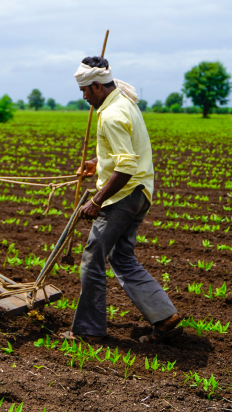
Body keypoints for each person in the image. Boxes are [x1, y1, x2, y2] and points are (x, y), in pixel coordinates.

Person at [61, 56, 182, 344]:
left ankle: (89, 330)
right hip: (141, 193)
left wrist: (98, 201)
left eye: (85, 91)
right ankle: (165, 316)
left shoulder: (113, 114)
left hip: (123, 197)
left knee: (92, 261)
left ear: (97, 87)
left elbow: (126, 166)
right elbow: (123, 154)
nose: (83, 97)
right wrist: (96, 162)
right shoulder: (123, 101)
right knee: (122, 257)